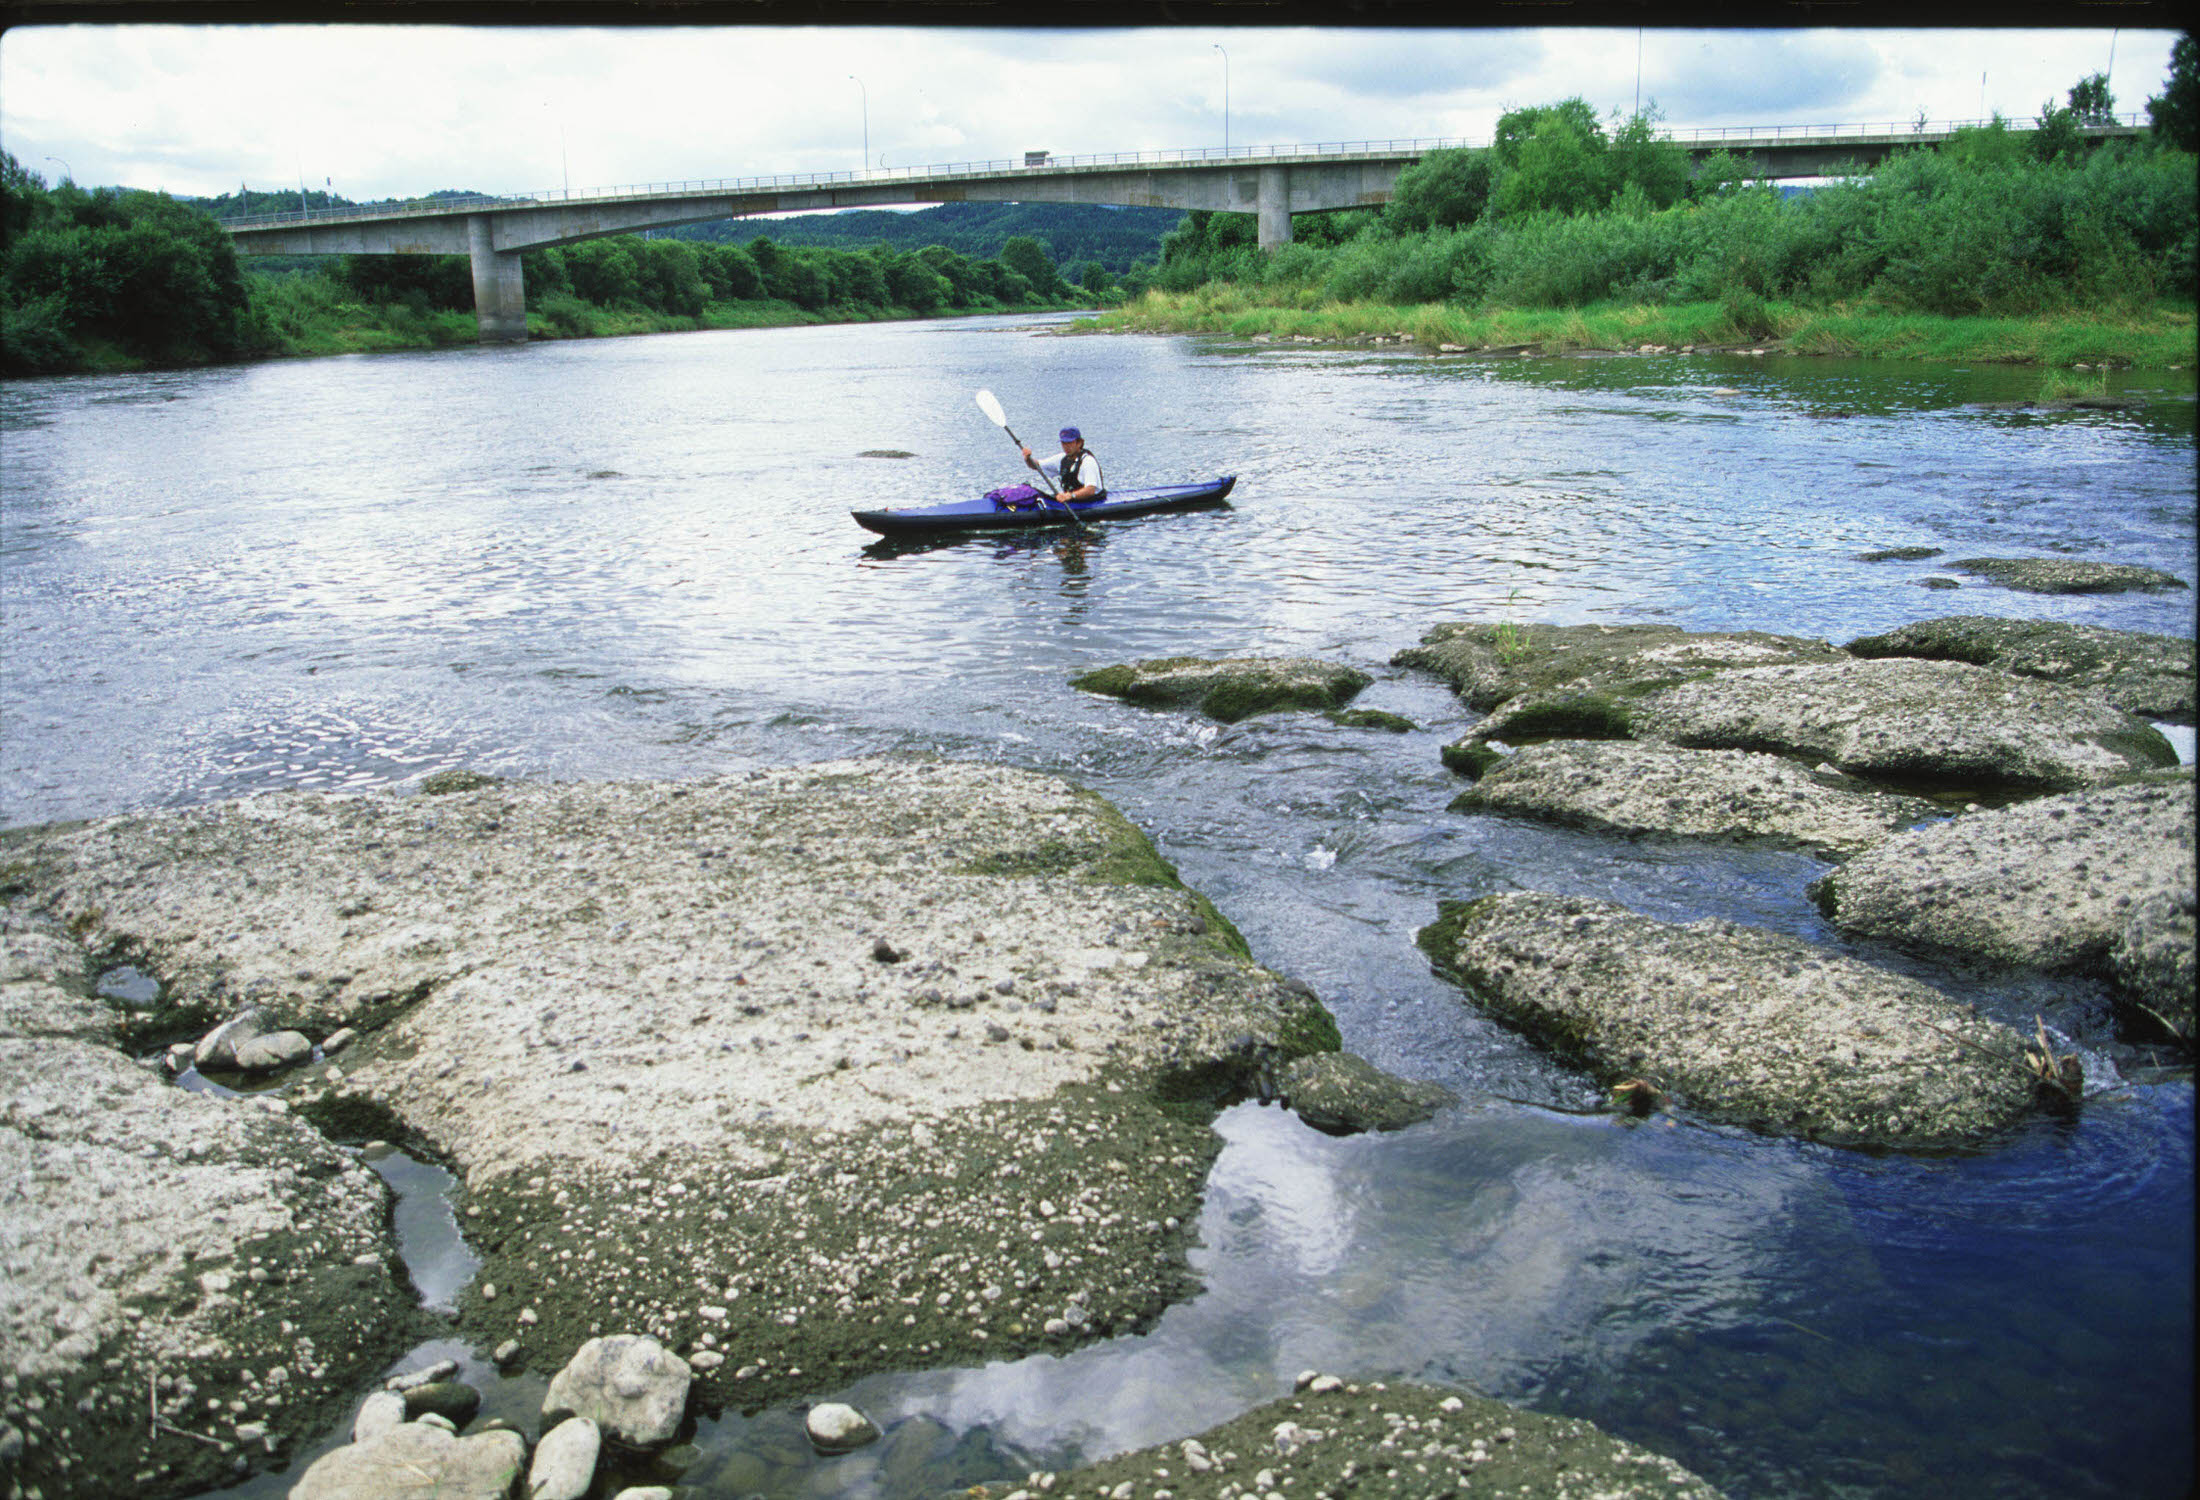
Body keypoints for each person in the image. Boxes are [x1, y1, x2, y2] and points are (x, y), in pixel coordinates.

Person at [1020, 426, 1105, 504]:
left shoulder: (1088, 461)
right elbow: (1036, 466)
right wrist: (1028, 458)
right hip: (1072, 501)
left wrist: (1070, 495)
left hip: (1092, 501)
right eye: (1064, 443)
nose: (1066, 447)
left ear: (1079, 443)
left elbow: (1090, 490)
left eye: (1069, 443)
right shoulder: (1061, 458)